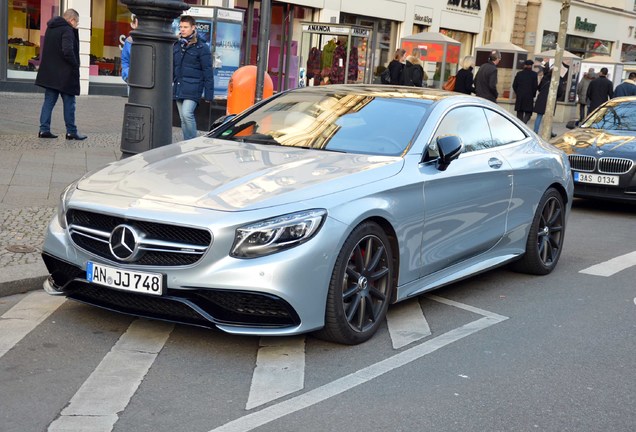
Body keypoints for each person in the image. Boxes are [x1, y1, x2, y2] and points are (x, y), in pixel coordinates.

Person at [35, 9, 86, 140]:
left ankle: (44, 129)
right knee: (69, 103)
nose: (76, 25)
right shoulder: (67, 30)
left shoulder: (51, 28)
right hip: (65, 75)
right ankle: (71, 132)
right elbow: (68, 50)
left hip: (51, 73)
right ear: (72, 20)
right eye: (77, 22)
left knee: (48, 102)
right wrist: (75, 65)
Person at [173, 15, 214, 140]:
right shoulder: (177, 45)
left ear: (193, 28)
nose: (182, 29)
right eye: (181, 27)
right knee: (182, 118)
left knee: (187, 114)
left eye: (185, 27)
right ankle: (187, 142)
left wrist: (208, 94)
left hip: (194, 87)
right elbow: (173, 67)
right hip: (179, 86)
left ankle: (192, 143)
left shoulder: (202, 47)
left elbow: (207, 71)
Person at [512, 59, 538, 123]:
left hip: (520, 96)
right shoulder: (534, 74)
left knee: (520, 112)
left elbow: (514, 85)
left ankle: (521, 124)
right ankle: (524, 123)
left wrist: (518, 92)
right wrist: (533, 94)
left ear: (525, 65)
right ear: (531, 66)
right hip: (529, 96)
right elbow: (535, 86)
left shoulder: (519, 74)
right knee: (528, 113)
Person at [121, 14, 138, 88]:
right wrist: (128, 74)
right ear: (133, 24)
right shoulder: (129, 41)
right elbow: (125, 61)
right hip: (132, 78)